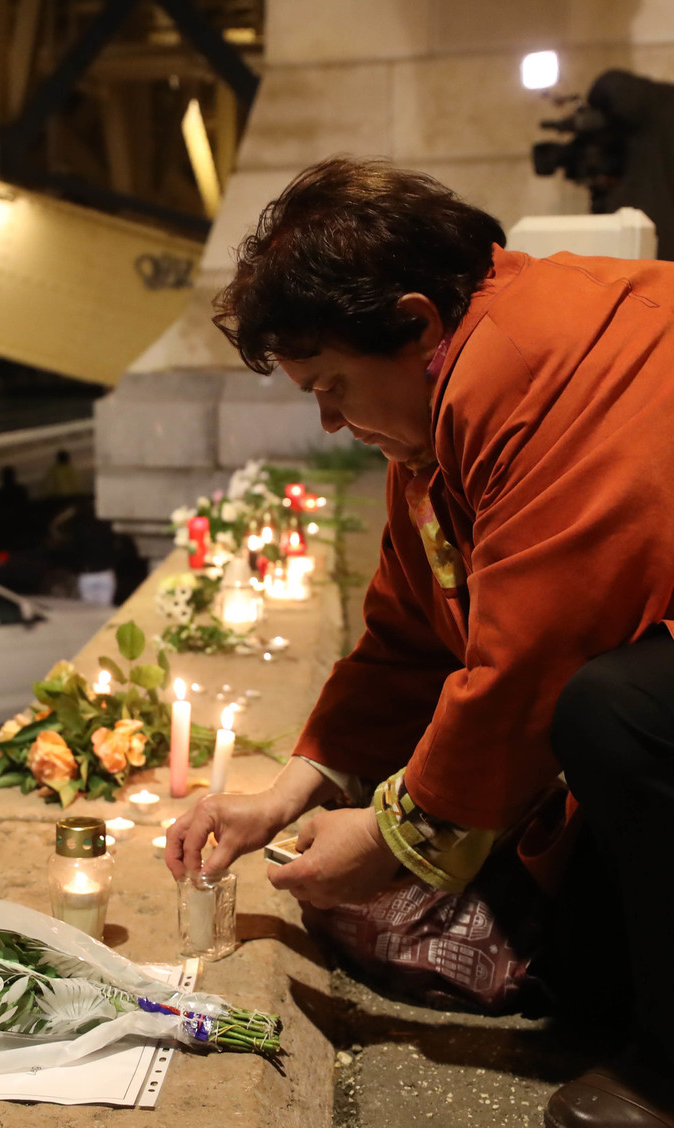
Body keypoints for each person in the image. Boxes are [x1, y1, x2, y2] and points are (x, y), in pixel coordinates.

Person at [165, 156, 674, 1128]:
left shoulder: (531, 366)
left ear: (414, 324)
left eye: (329, 385)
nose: (328, 421)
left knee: (609, 711)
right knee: (582, 974)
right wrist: (288, 793)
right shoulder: (440, 418)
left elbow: (536, 654)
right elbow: (406, 638)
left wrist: (397, 835)